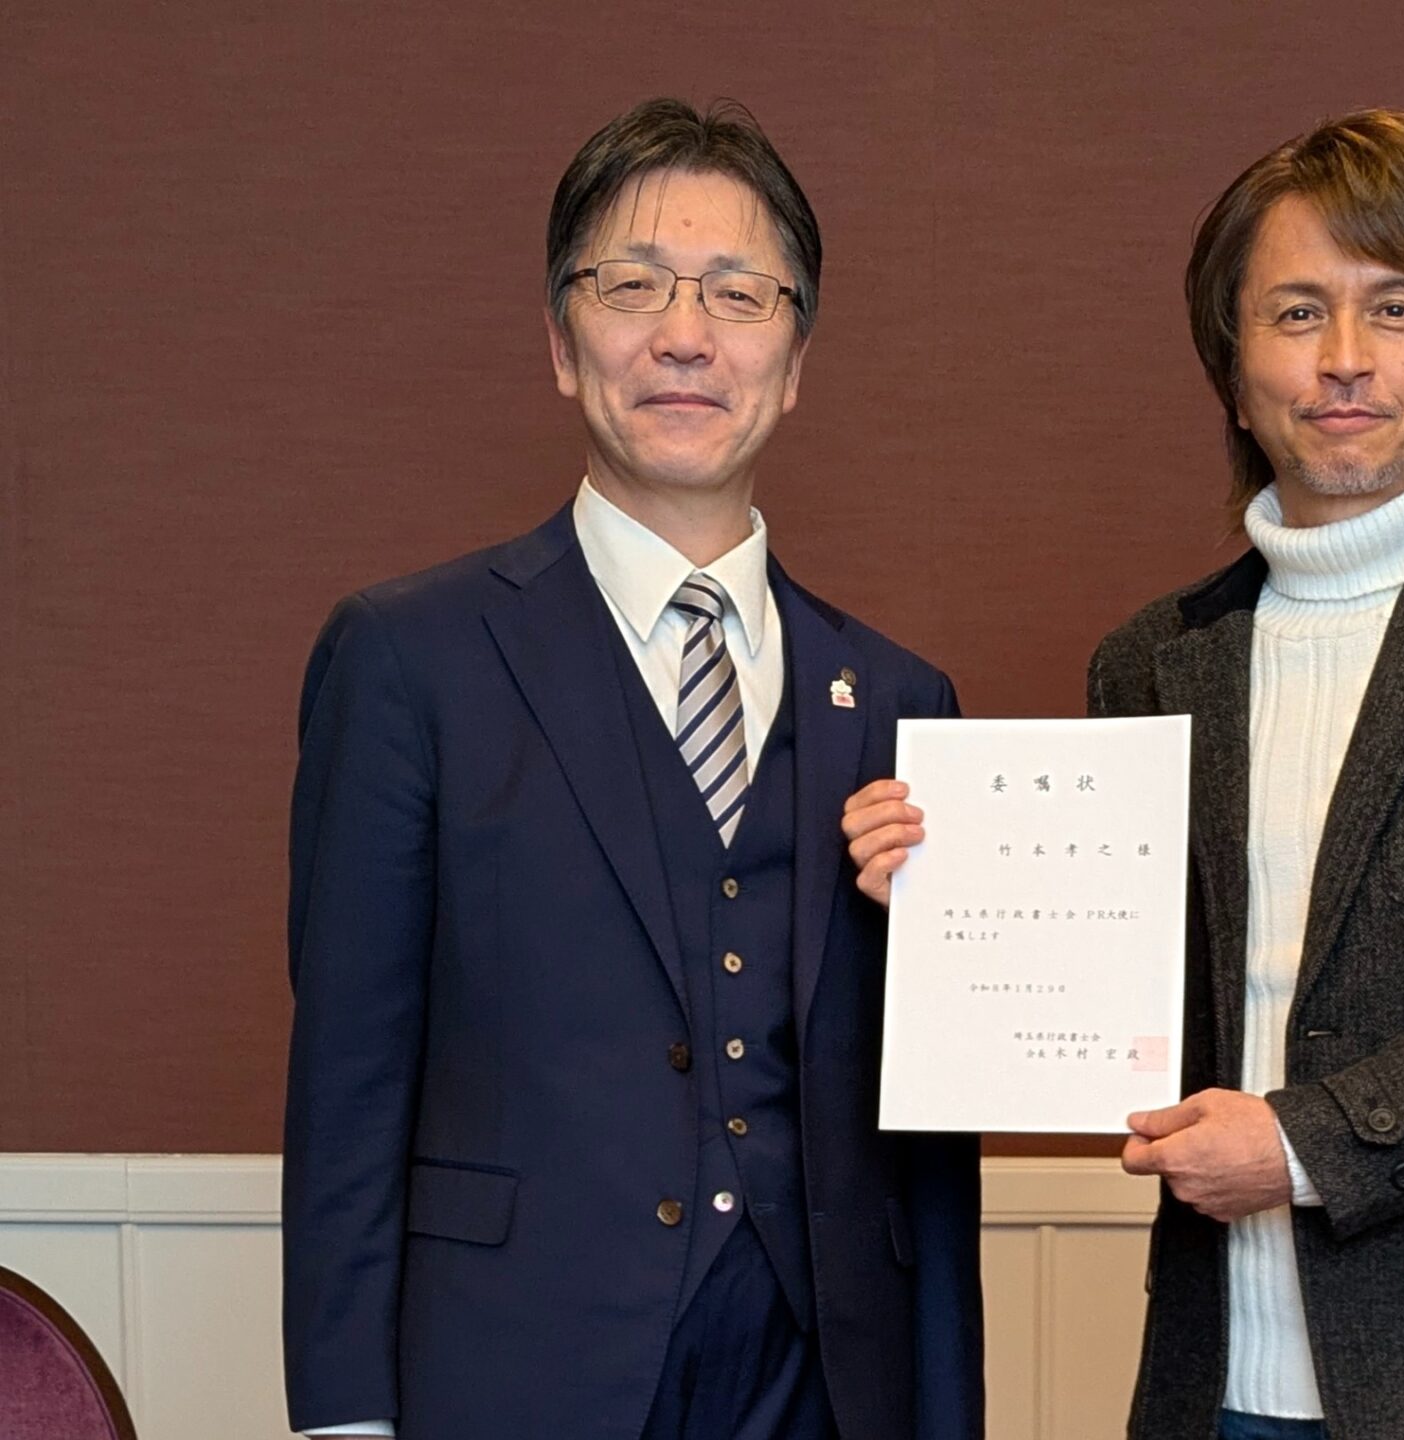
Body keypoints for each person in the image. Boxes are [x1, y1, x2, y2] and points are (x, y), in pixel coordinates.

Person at [846, 109, 1404, 1440]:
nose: (1346, 359)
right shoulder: (1150, 663)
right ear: (1233, 366)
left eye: (1396, 309)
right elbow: (1117, 988)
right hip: (1215, 1381)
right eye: (1297, 312)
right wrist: (938, 890)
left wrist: (1313, 1143)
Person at [283, 98, 982, 1440]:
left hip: (827, 1382)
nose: (685, 335)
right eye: (635, 285)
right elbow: (346, 1083)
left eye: (738, 294)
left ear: (794, 360)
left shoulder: (899, 698)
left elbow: (930, 1140)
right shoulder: (410, 659)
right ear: (563, 342)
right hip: (513, 1369)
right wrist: (344, 1418)